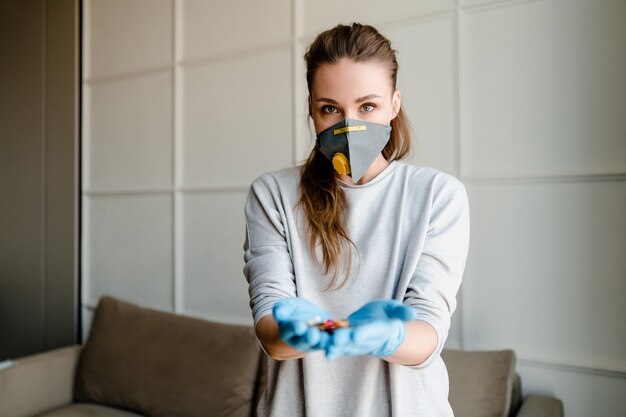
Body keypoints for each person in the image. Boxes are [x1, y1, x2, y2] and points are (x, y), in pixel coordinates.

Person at [243, 22, 470, 417]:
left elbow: (429, 334)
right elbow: (272, 335)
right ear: (312, 110)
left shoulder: (437, 195)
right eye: (330, 109)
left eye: (368, 106)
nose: (349, 126)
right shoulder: (273, 196)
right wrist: (296, 330)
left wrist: (387, 336)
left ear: (394, 105)